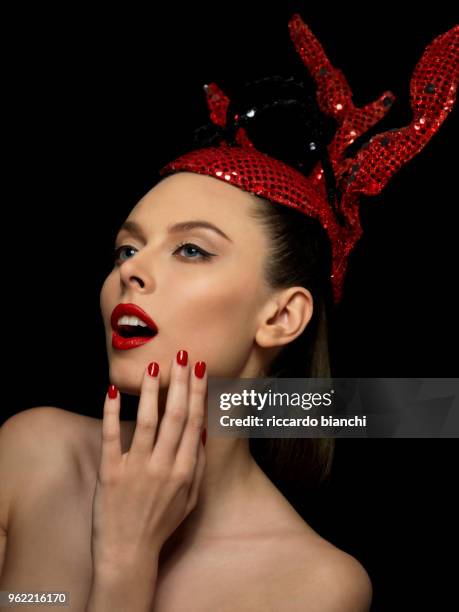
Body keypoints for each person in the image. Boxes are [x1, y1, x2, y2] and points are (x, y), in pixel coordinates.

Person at [0, 12, 456, 612]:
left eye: (192, 248)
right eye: (127, 248)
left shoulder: (316, 586)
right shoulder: (32, 452)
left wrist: (126, 559)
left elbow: (426, 409)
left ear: (281, 317)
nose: (129, 271)